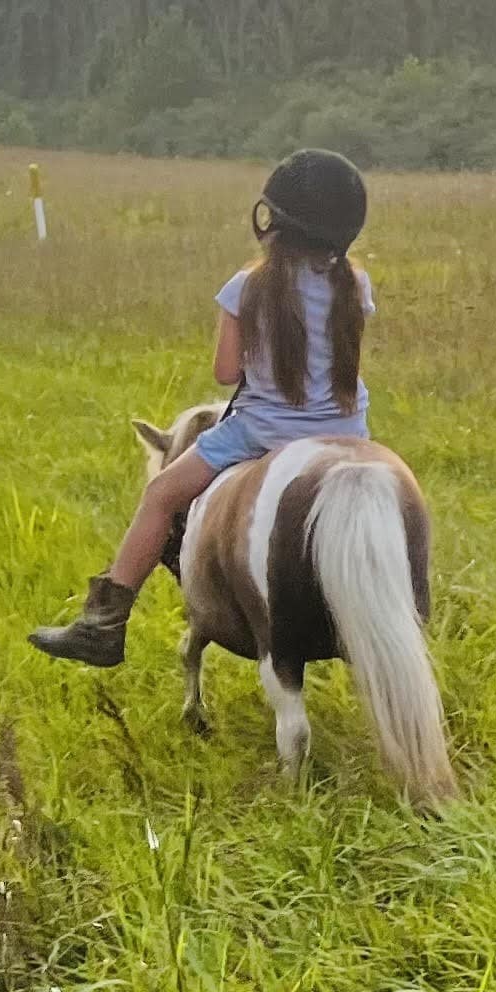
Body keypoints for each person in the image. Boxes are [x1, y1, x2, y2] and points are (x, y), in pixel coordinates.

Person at [29, 149, 377, 666]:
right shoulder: (355, 283)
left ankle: (102, 625)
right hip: (347, 435)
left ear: (273, 221)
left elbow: (225, 372)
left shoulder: (248, 287)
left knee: (161, 495)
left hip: (263, 431)